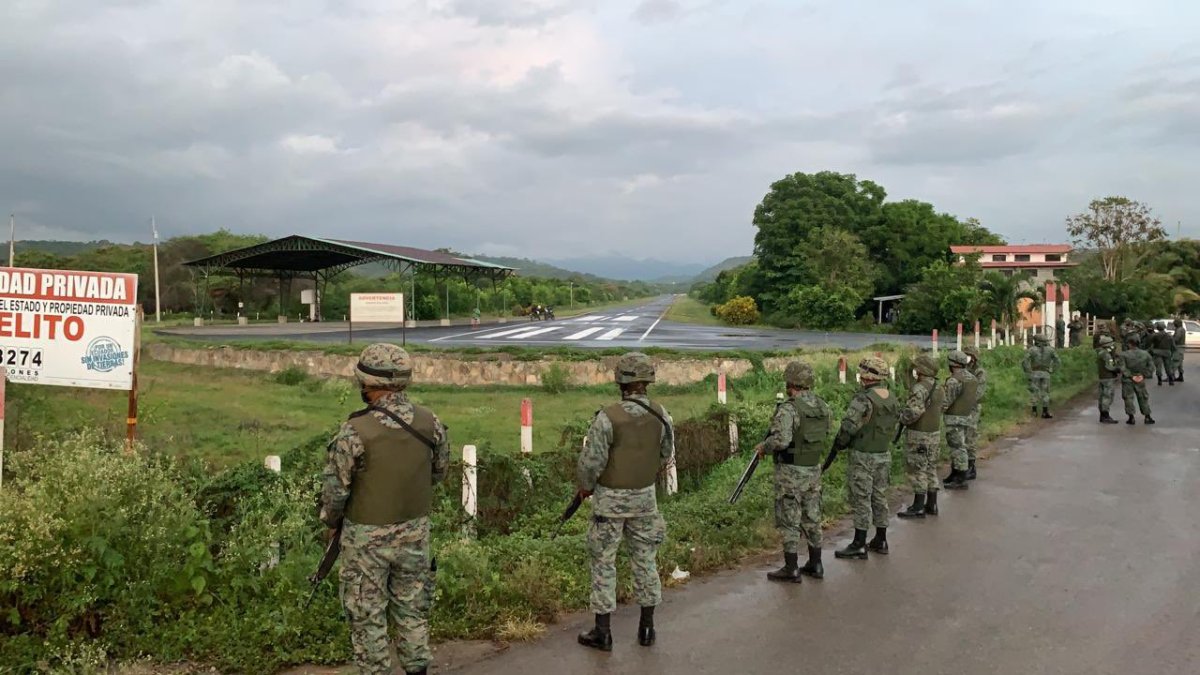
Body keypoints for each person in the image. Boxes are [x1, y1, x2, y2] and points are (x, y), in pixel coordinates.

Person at [320, 344, 450, 675]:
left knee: (367, 615)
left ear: (367, 384)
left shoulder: (354, 431)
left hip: (365, 540)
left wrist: (332, 524)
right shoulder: (430, 422)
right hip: (415, 532)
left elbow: (335, 492)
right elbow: (439, 473)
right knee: (413, 608)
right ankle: (417, 667)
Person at [577, 352, 674, 652]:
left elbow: (591, 463)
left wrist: (585, 487)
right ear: (647, 381)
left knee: (604, 561)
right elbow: (666, 454)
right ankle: (647, 629)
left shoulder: (608, 417)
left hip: (609, 502)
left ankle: (602, 631)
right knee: (645, 560)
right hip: (645, 499)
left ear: (620, 380)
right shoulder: (662, 414)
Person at [754, 361, 832, 582]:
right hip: (813, 468)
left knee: (789, 517)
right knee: (813, 515)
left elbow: (781, 440)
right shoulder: (822, 406)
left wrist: (764, 446)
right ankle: (816, 563)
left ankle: (791, 568)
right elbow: (826, 431)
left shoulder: (789, 408)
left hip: (790, 471)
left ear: (790, 382)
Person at [822, 357, 899, 560]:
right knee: (879, 496)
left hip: (863, 455)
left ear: (866, 375)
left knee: (861, 498)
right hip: (883, 453)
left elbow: (848, 426)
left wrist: (839, 444)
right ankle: (881, 539)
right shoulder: (891, 396)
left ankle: (859, 542)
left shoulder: (863, 399)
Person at [897, 353, 943, 519]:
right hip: (934, 434)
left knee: (917, 470)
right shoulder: (938, 387)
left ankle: (918, 506)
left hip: (919, 435)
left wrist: (901, 417)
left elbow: (914, 412)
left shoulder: (919, 388)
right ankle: (932, 504)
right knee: (930, 469)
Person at [941, 351, 979, 490]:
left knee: (957, 448)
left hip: (954, 418)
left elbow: (946, 401)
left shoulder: (954, 380)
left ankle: (961, 478)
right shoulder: (972, 378)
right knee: (960, 446)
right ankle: (955, 474)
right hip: (967, 416)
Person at [962, 345, 987, 480]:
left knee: (970, 436)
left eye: (969, 355)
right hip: (962, 407)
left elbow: (978, 392)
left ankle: (971, 467)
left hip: (972, 408)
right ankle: (962, 465)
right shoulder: (962, 370)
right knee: (961, 437)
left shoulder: (979, 372)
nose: (967, 358)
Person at [1021, 334, 1060, 418]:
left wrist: (1028, 370)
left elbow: (1024, 361)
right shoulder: (1050, 350)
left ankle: (1034, 411)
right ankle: (1045, 412)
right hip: (1046, 373)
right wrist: (1052, 370)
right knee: (1045, 392)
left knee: (1034, 392)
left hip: (1034, 373)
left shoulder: (1032, 350)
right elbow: (1058, 361)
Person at [1119, 337, 1155, 425]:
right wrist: (1143, 375)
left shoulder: (1123, 355)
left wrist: (1131, 376)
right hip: (1140, 378)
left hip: (1128, 380)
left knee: (1128, 398)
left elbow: (1122, 368)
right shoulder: (1145, 354)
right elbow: (1151, 367)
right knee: (1143, 397)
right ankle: (1147, 416)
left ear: (1129, 344)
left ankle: (1131, 417)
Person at [1095, 335, 1122, 424]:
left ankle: (1102, 415)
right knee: (1107, 396)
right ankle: (1105, 415)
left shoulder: (1100, 352)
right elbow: (1109, 366)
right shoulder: (1106, 354)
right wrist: (1117, 369)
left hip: (1102, 377)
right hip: (1108, 377)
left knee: (1102, 396)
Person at [1148, 322, 1176, 386]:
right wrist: (1171, 352)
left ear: (1158, 328)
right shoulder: (1169, 336)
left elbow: (1150, 342)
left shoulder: (1155, 335)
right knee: (1168, 366)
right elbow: (1173, 346)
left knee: (1158, 366)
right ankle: (1171, 380)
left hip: (1157, 352)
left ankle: (1159, 381)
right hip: (1167, 352)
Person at [1171, 318, 1187, 382]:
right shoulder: (1181, 329)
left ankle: (1171, 376)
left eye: (1175, 323)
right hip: (1181, 347)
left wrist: (1171, 339)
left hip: (1178, 347)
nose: (1174, 324)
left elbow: (1176, 339)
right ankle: (1180, 376)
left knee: (1175, 362)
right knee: (1179, 363)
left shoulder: (1179, 330)